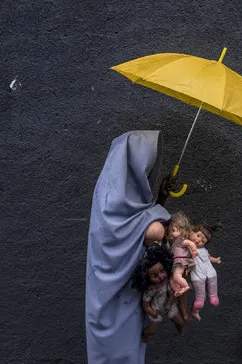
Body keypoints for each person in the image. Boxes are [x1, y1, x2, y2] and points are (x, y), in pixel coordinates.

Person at [85, 130, 176, 364]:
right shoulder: (141, 219)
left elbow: (134, 227)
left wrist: (160, 200)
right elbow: (150, 231)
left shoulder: (107, 200)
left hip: (103, 303)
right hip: (123, 305)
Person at [130, 243, 185, 342]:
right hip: (157, 311)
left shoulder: (168, 280)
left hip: (170, 306)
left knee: (180, 322)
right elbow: (145, 304)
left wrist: (172, 298)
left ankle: (179, 328)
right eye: (154, 276)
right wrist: (152, 312)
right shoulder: (151, 289)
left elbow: (172, 292)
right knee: (152, 331)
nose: (160, 276)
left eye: (162, 271)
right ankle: (144, 334)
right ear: (147, 278)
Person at [189, 224, 222, 321]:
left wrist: (215, 260)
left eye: (203, 241)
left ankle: (213, 295)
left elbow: (208, 257)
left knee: (213, 283)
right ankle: (195, 310)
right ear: (193, 232)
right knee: (200, 295)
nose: (199, 240)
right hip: (198, 274)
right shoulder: (189, 247)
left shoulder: (204, 250)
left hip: (209, 271)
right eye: (198, 236)